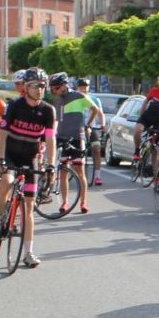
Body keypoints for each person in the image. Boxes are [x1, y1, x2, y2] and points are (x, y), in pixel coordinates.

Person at [0, 67, 56, 268]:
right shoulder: (14, 106)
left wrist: (51, 165)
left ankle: (28, 252)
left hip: (30, 158)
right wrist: (0, 160)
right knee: (7, 181)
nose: (39, 89)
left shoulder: (48, 110)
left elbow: (50, 140)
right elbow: (2, 135)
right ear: (26, 87)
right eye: (35, 85)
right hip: (10, 154)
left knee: (29, 206)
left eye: (42, 86)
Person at [49, 72, 103, 213]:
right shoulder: (58, 100)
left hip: (77, 137)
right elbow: (57, 119)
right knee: (63, 172)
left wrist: (88, 124)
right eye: (53, 89)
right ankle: (65, 202)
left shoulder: (79, 96)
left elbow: (95, 109)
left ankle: (83, 202)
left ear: (65, 85)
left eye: (56, 87)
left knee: (79, 170)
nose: (55, 91)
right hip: (62, 137)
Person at [136, 72, 159, 158]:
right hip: (147, 116)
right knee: (137, 130)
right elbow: (146, 102)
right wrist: (141, 115)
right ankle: (137, 150)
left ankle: (154, 166)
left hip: (157, 121)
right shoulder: (154, 90)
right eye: (158, 82)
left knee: (154, 147)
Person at [76, 78, 104, 185]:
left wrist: (103, 125)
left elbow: (100, 114)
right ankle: (79, 174)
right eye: (81, 87)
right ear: (77, 88)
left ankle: (98, 176)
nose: (83, 89)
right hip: (78, 128)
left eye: (85, 87)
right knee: (78, 151)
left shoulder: (95, 99)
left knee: (96, 149)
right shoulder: (74, 99)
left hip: (91, 127)